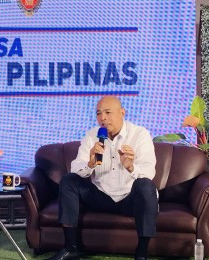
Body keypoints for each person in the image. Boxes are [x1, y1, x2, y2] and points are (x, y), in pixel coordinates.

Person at [48, 96, 158, 260]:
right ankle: (70, 248)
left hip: (129, 198)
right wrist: (91, 163)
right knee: (69, 180)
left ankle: (142, 253)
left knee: (146, 185)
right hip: (101, 196)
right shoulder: (92, 136)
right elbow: (76, 167)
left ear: (122, 113)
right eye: (98, 113)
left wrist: (130, 167)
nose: (103, 118)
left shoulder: (139, 134)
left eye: (108, 112)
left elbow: (149, 171)